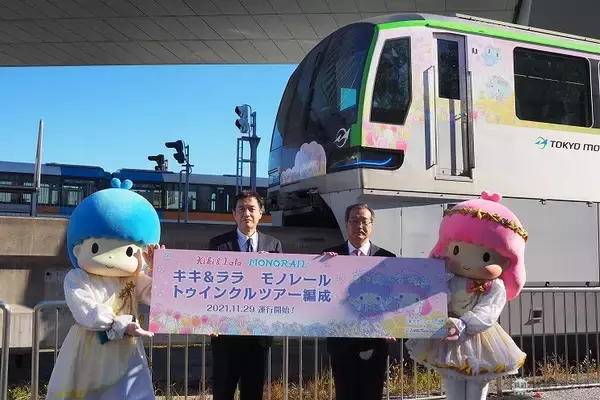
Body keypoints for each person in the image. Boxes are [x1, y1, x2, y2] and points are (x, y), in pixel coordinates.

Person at [45, 178, 162, 400]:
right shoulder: (78, 278)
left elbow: (158, 295)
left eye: (129, 251)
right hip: (88, 348)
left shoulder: (134, 278)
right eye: (96, 247)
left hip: (126, 350)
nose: (110, 258)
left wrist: (158, 267)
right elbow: (86, 310)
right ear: (77, 249)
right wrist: (122, 325)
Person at [405, 191, 528, 400]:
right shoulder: (450, 278)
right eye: (456, 250)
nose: (468, 262)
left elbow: (488, 312)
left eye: (486, 256)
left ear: (506, 261)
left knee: (476, 386)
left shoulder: (495, 286)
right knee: (452, 384)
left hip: (480, 338)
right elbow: (438, 297)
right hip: (448, 334)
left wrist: (462, 324)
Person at [208, 190, 283, 400]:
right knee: (223, 392)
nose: (246, 214)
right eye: (241, 209)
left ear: (260, 213)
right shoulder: (217, 245)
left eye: (251, 209)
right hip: (225, 335)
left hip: (258, 336)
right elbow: (209, 286)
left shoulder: (274, 246)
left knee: (253, 393)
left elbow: (281, 286)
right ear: (234, 214)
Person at [321, 203, 396, 400]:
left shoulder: (387, 258)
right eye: (354, 221)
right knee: (344, 393)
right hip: (341, 342)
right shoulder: (329, 256)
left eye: (364, 221)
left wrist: (394, 324)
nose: (359, 226)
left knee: (372, 393)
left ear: (372, 225)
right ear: (346, 225)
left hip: (375, 342)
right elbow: (321, 294)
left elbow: (394, 298)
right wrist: (323, 267)